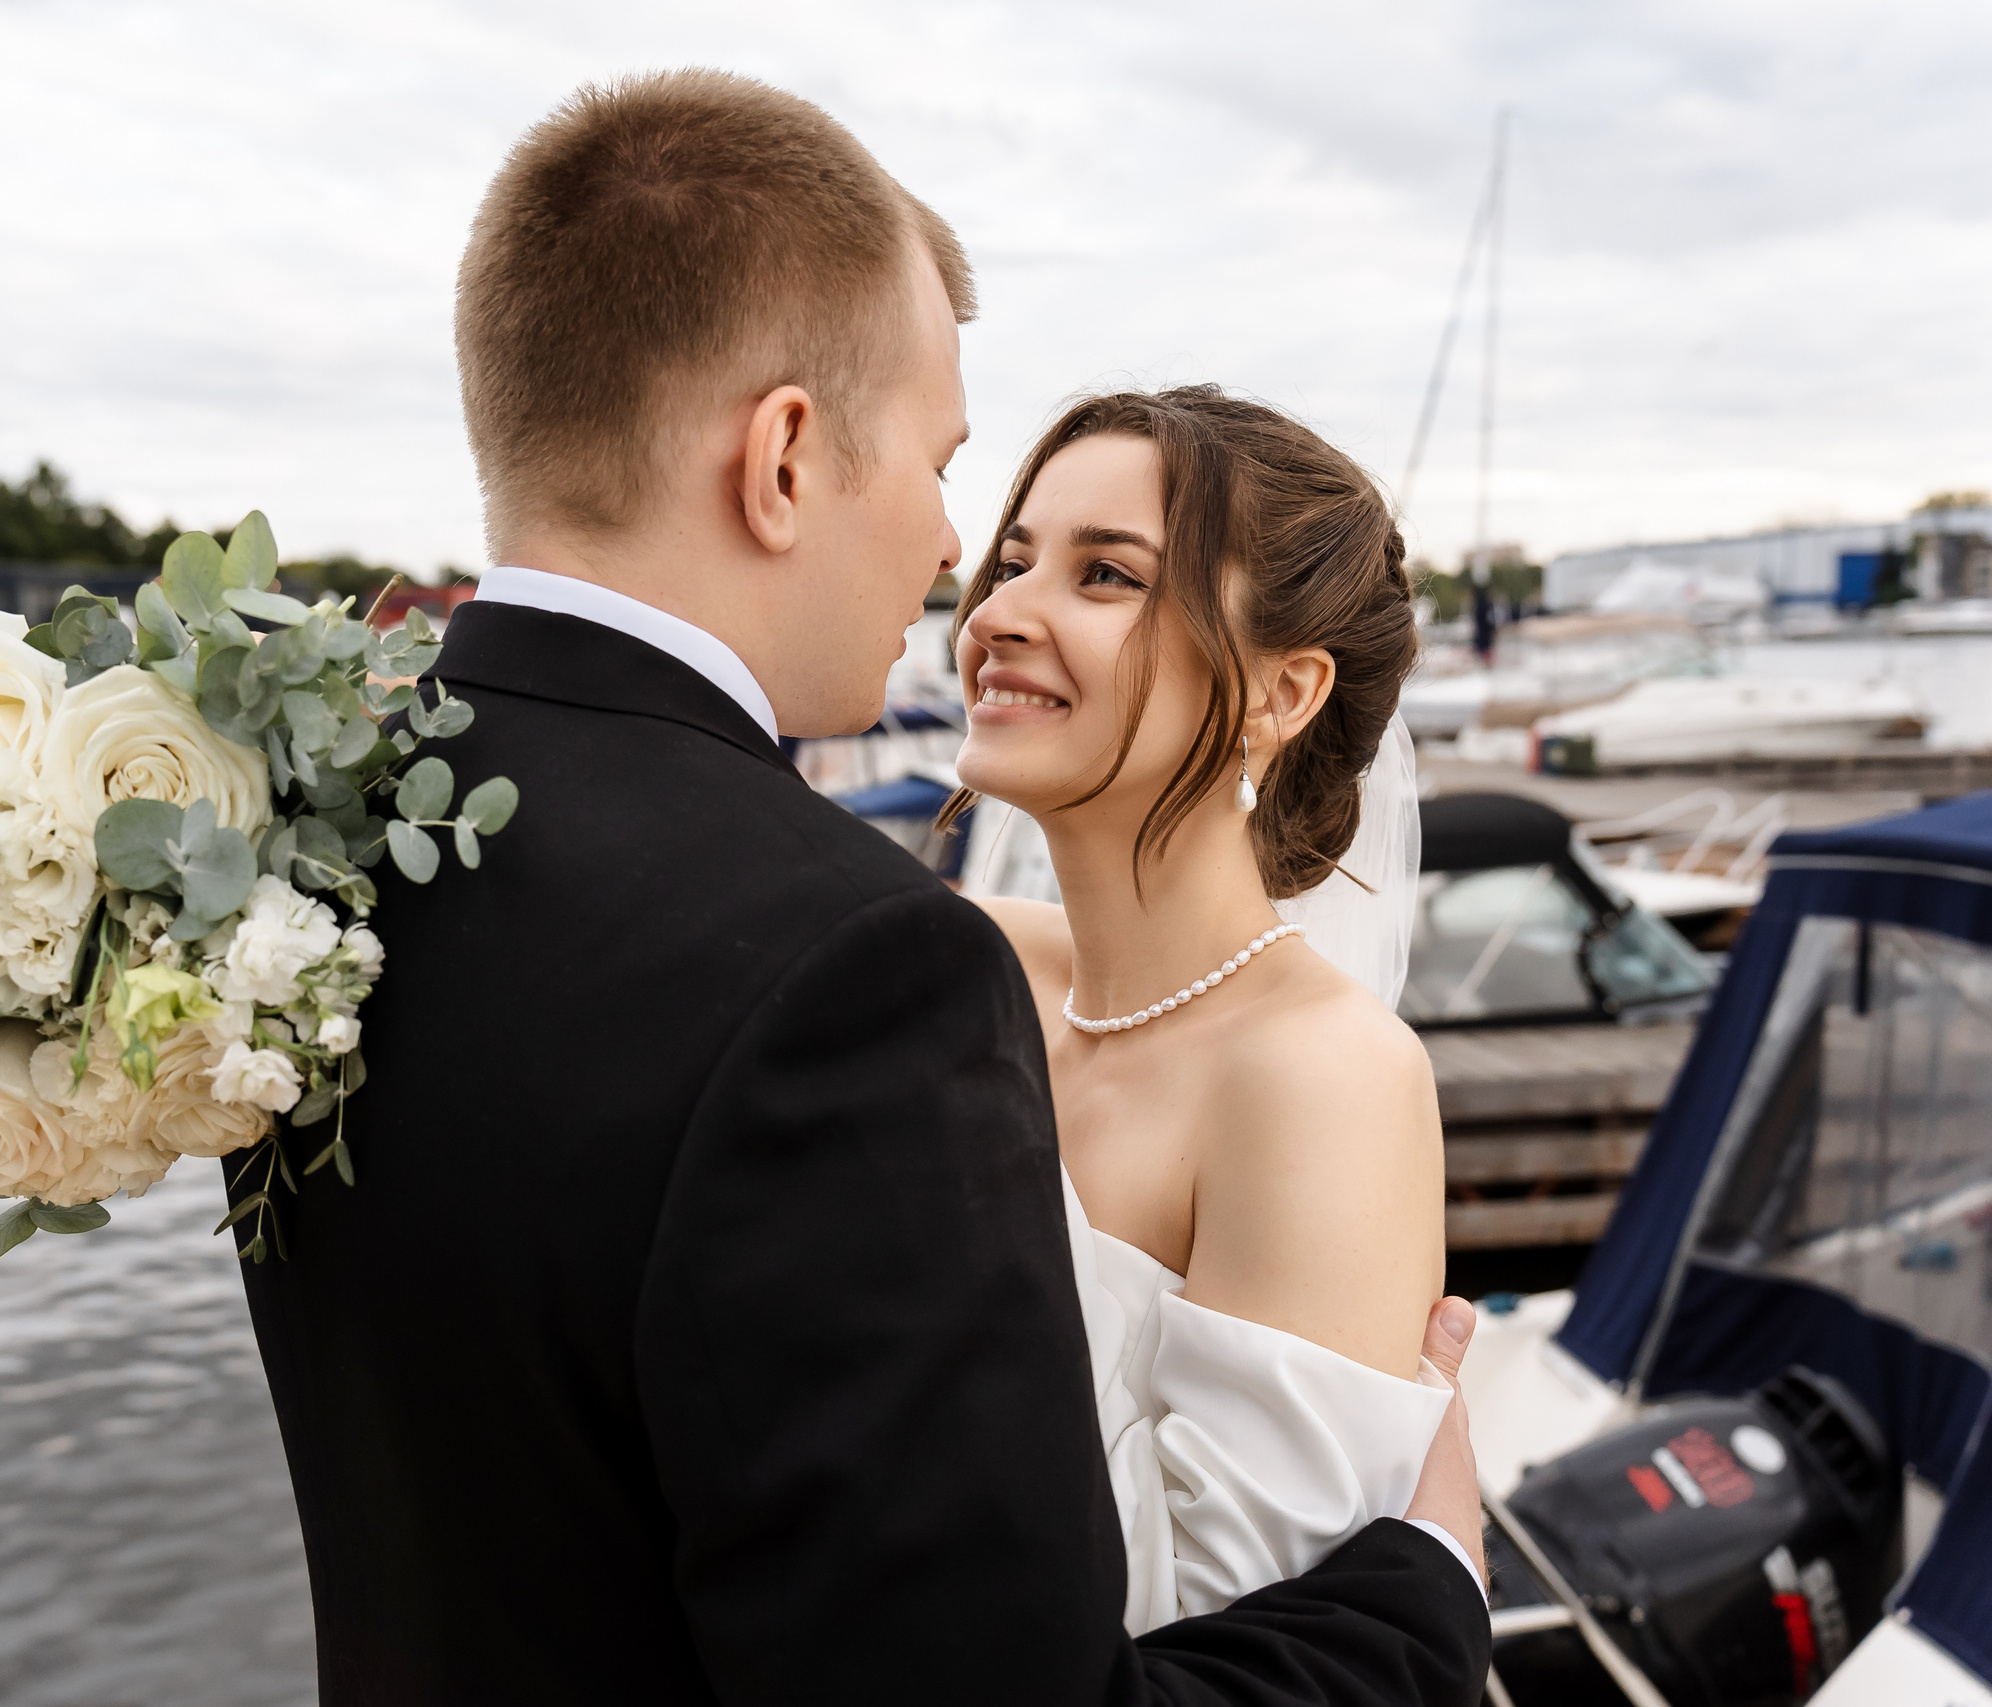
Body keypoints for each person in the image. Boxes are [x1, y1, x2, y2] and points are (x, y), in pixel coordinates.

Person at [228, 69, 1491, 1704]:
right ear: (785, 457)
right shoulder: (893, 968)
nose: (978, 580)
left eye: (1104, 572)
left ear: (1284, 691)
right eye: (997, 518)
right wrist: (1432, 1574)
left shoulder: (350, 845)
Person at [949, 389, 1457, 1632]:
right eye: (1014, 561)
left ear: (1278, 695)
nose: (999, 614)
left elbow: (1224, 1639)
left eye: (1104, 576)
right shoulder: (961, 970)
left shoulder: (1322, 1079)